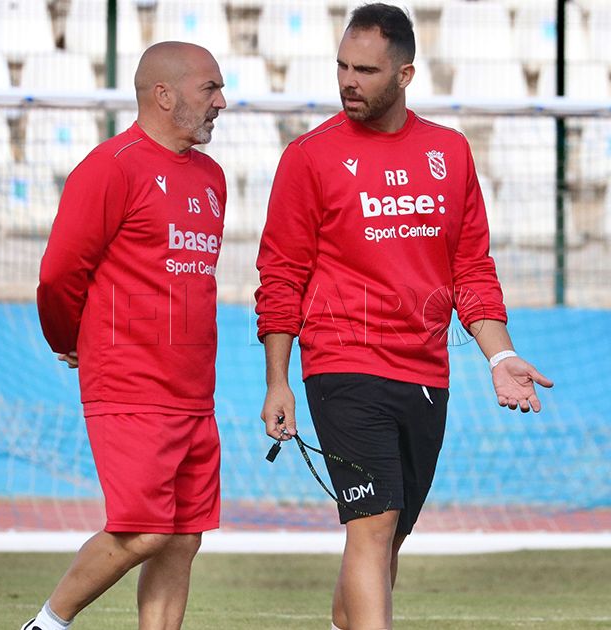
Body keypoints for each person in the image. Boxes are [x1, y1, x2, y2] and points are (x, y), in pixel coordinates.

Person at [254, 5, 553, 629]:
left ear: (406, 73)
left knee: (387, 537)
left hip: (425, 373)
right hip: (342, 364)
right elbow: (280, 276)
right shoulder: (308, 157)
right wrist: (277, 379)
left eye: (365, 69)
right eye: (341, 66)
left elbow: (471, 269)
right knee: (374, 521)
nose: (347, 81)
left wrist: (499, 355)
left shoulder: (450, 152)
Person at [28, 41, 227, 630]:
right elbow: (60, 273)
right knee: (144, 530)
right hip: (129, 380)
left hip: (193, 390)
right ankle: (46, 624)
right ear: (163, 95)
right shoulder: (111, 167)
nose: (222, 102)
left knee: (182, 538)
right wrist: (70, 339)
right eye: (209, 89)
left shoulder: (213, 178)